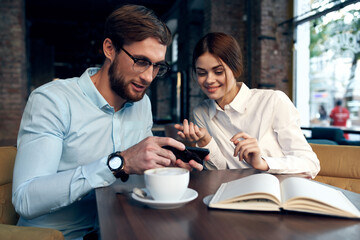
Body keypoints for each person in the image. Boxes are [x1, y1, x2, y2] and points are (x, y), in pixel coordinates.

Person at [12, 5, 206, 240]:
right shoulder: (52, 100)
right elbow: (26, 199)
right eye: (141, 61)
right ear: (110, 48)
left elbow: (135, 175)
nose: (148, 76)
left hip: (120, 229)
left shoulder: (142, 104)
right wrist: (118, 162)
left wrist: (162, 171)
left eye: (157, 66)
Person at [175, 32, 320, 178]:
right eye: (201, 73)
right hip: (233, 191)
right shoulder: (202, 112)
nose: (209, 80)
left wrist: (263, 162)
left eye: (218, 72)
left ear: (235, 68)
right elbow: (221, 170)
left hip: (276, 190)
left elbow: (310, 163)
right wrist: (205, 141)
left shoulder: (273, 101)